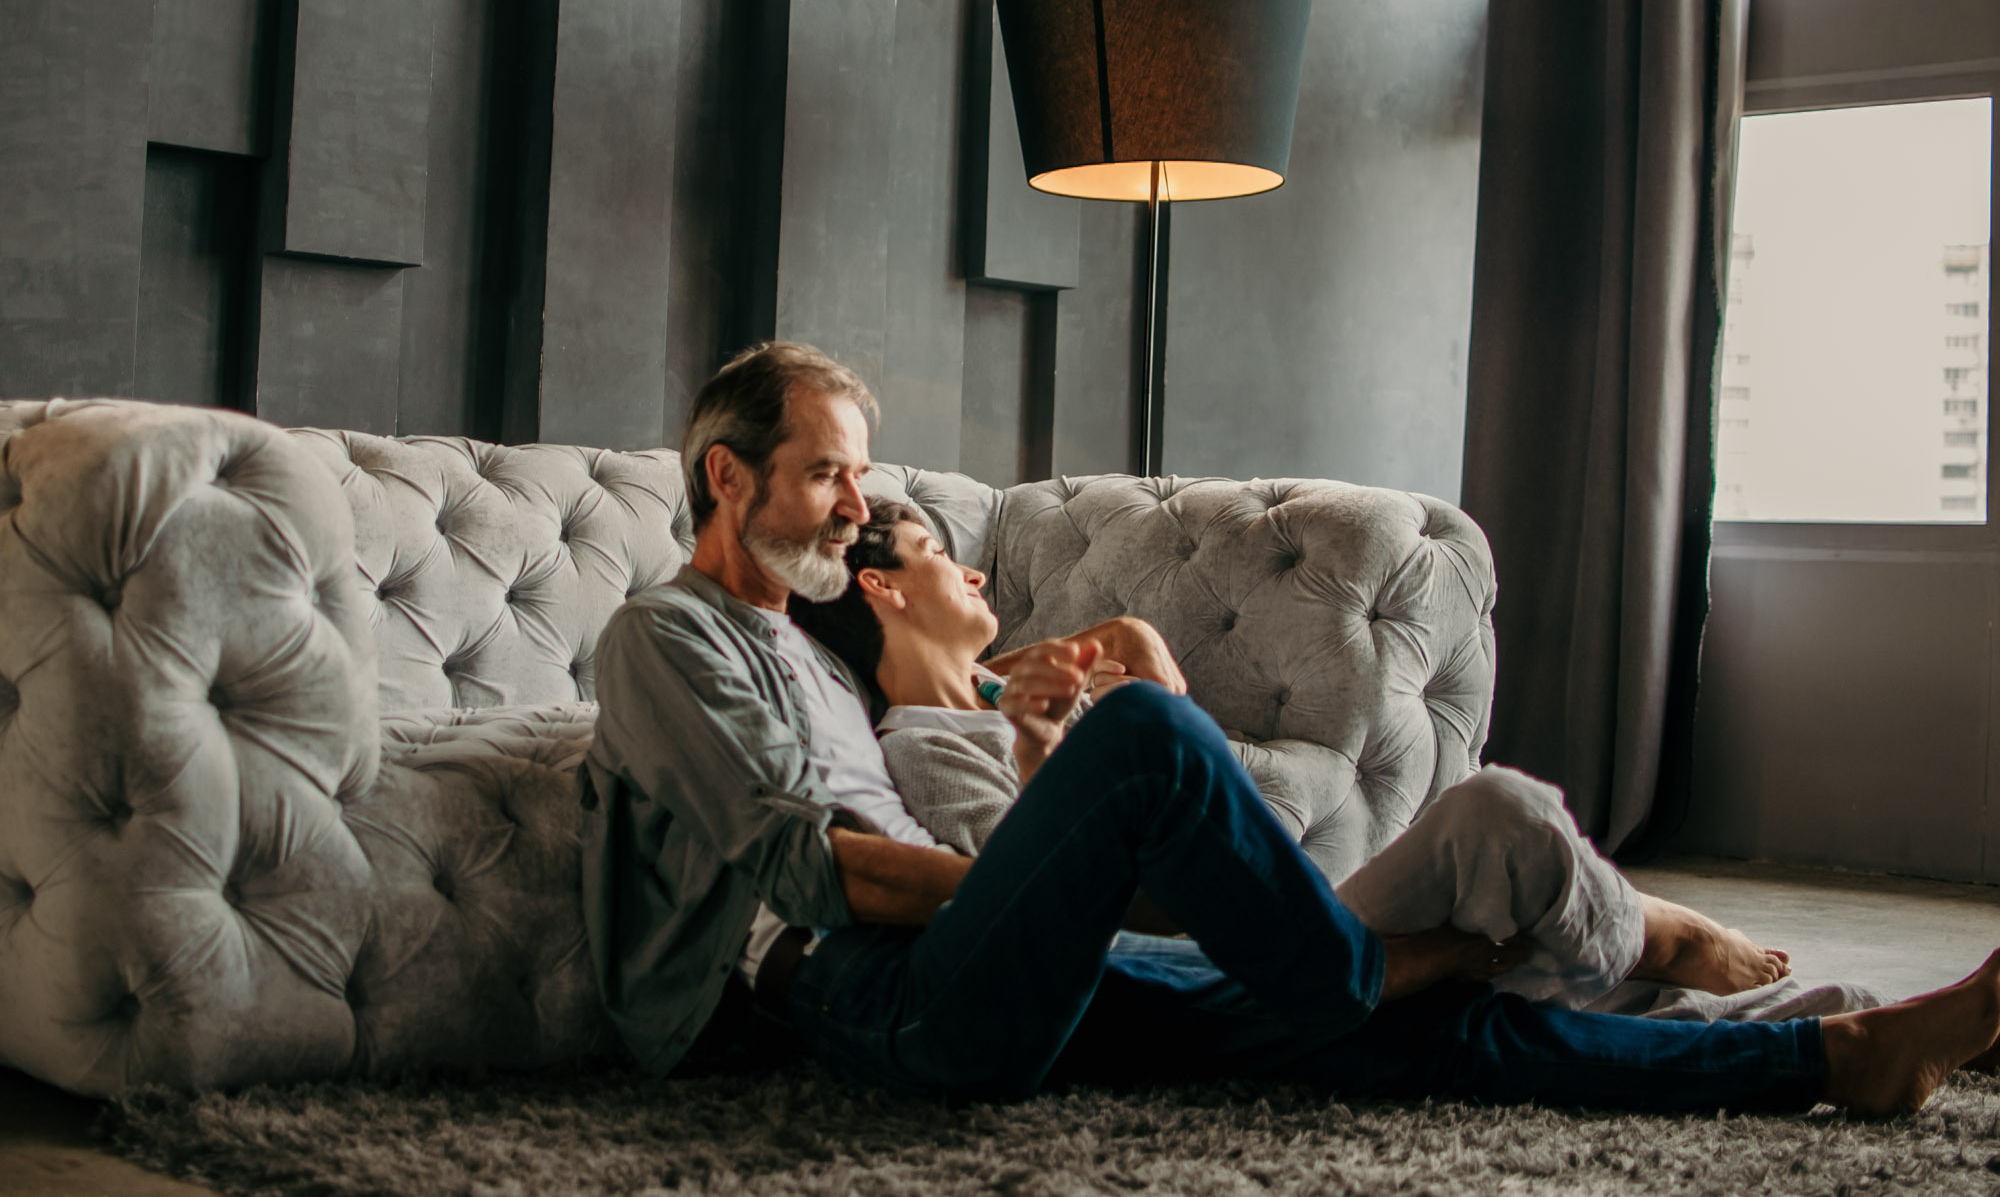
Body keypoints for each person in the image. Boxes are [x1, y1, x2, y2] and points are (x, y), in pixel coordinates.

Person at [579, 339, 2000, 1119]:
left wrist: (1063, 873)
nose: (852, 500)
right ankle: (1347, 969)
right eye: (827, 473)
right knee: (1150, 745)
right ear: (727, 475)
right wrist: (1057, 882)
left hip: (962, 965)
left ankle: (1831, 1061)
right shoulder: (665, 638)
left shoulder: (815, 660)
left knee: (1408, 1043)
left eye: (858, 476)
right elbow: (829, 873)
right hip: (864, 1002)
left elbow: (944, 802)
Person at [791, 497, 1876, 1018]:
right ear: (880, 587)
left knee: (1501, 872)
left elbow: (1183, 764)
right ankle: (1678, 945)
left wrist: (1109, 663)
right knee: (1496, 821)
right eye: (942, 558)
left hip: (1287, 904)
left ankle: (1762, 1000)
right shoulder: (927, 747)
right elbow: (1037, 911)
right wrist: (1041, 745)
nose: (975, 579)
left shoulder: (997, 691)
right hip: (1239, 951)